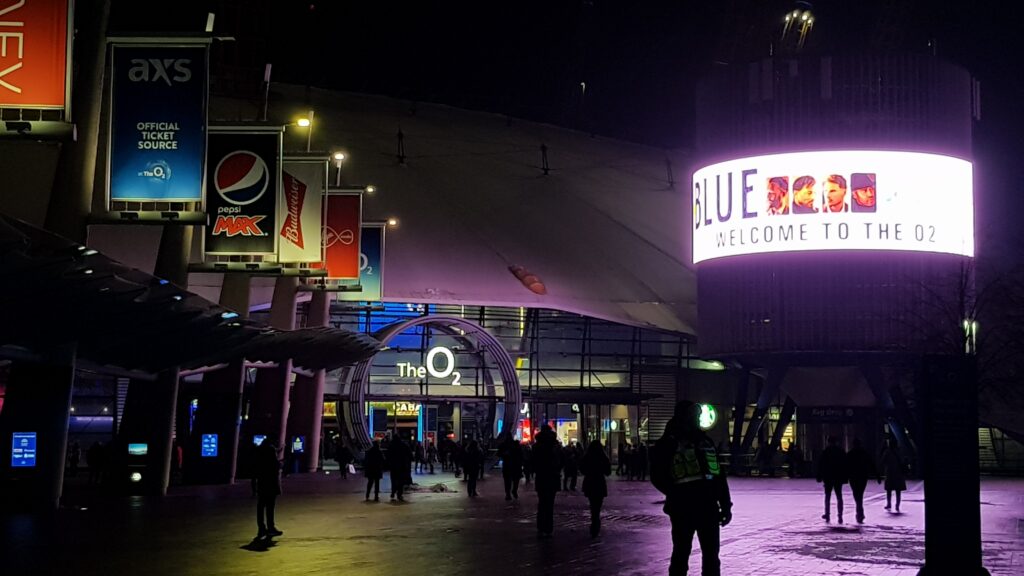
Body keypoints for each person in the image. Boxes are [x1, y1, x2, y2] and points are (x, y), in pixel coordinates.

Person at [652, 400, 732, 576]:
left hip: (707, 508)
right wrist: (676, 493)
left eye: (697, 415)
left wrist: (726, 505)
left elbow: (718, 476)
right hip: (684, 508)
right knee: (682, 555)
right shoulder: (670, 443)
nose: (697, 418)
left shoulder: (705, 441)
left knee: (710, 557)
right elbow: (657, 475)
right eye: (693, 415)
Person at [533, 424, 562, 537]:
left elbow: (533, 461)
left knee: (542, 502)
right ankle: (548, 527)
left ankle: (541, 525)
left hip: (541, 476)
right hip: (552, 476)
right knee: (550, 503)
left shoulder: (537, 446)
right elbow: (560, 460)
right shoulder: (555, 445)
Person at [580, 440, 611, 538]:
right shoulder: (603, 457)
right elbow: (608, 471)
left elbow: (582, 469)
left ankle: (594, 524)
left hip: (590, 482)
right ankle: (595, 525)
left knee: (593, 504)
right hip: (599, 483)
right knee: (597, 506)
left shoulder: (587, 457)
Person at [254, 441, 283, 540]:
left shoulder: (259, 453)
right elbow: (276, 466)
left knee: (261, 506)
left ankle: (261, 528)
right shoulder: (270, 451)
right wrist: (280, 464)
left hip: (261, 483)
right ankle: (271, 527)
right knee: (270, 507)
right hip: (270, 483)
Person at [816, 435, 848, 524]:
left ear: (828, 442)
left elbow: (821, 464)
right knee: (839, 496)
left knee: (827, 496)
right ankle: (840, 515)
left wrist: (819, 476)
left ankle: (827, 514)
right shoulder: (840, 451)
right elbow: (845, 464)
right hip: (838, 476)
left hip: (828, 477)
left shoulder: (826, 451)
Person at [845, 438, 877, 524]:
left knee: (856, 493)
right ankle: (860, 511)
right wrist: (877, 475)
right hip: (863, 475)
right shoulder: (864, 453)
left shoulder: (850, 454)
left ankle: (859, 511)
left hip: (853, 476)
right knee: (860, 493)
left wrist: (845, 476)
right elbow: (871, 463)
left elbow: (845, 465)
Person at [881, 438, 907, 512]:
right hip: (898, 473)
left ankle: (889, 504)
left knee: (889, 490)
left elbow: (883, 461)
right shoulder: (899, 451)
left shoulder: (887, 452)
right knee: (898, 491)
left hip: (889, 472)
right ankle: (897, 505)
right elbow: (904, 460)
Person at [387, 435, 412, 502]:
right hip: (402, 466)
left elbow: (388, 455)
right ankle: (399, 494)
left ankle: (393, 492)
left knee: (393, 480)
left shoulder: (391, 445)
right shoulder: (403, 445)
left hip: (393, 466)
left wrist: (389, 463)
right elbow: (410, 454)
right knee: (401, 481)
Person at [498, 435, 524, 500]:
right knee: (514, 480)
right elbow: (521, 454)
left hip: (508, 464)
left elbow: (499, 454)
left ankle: (509, 493)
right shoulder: (516, 445)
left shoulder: (504, 445)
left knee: (508, 480)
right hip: (515, 465)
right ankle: (512, 492)